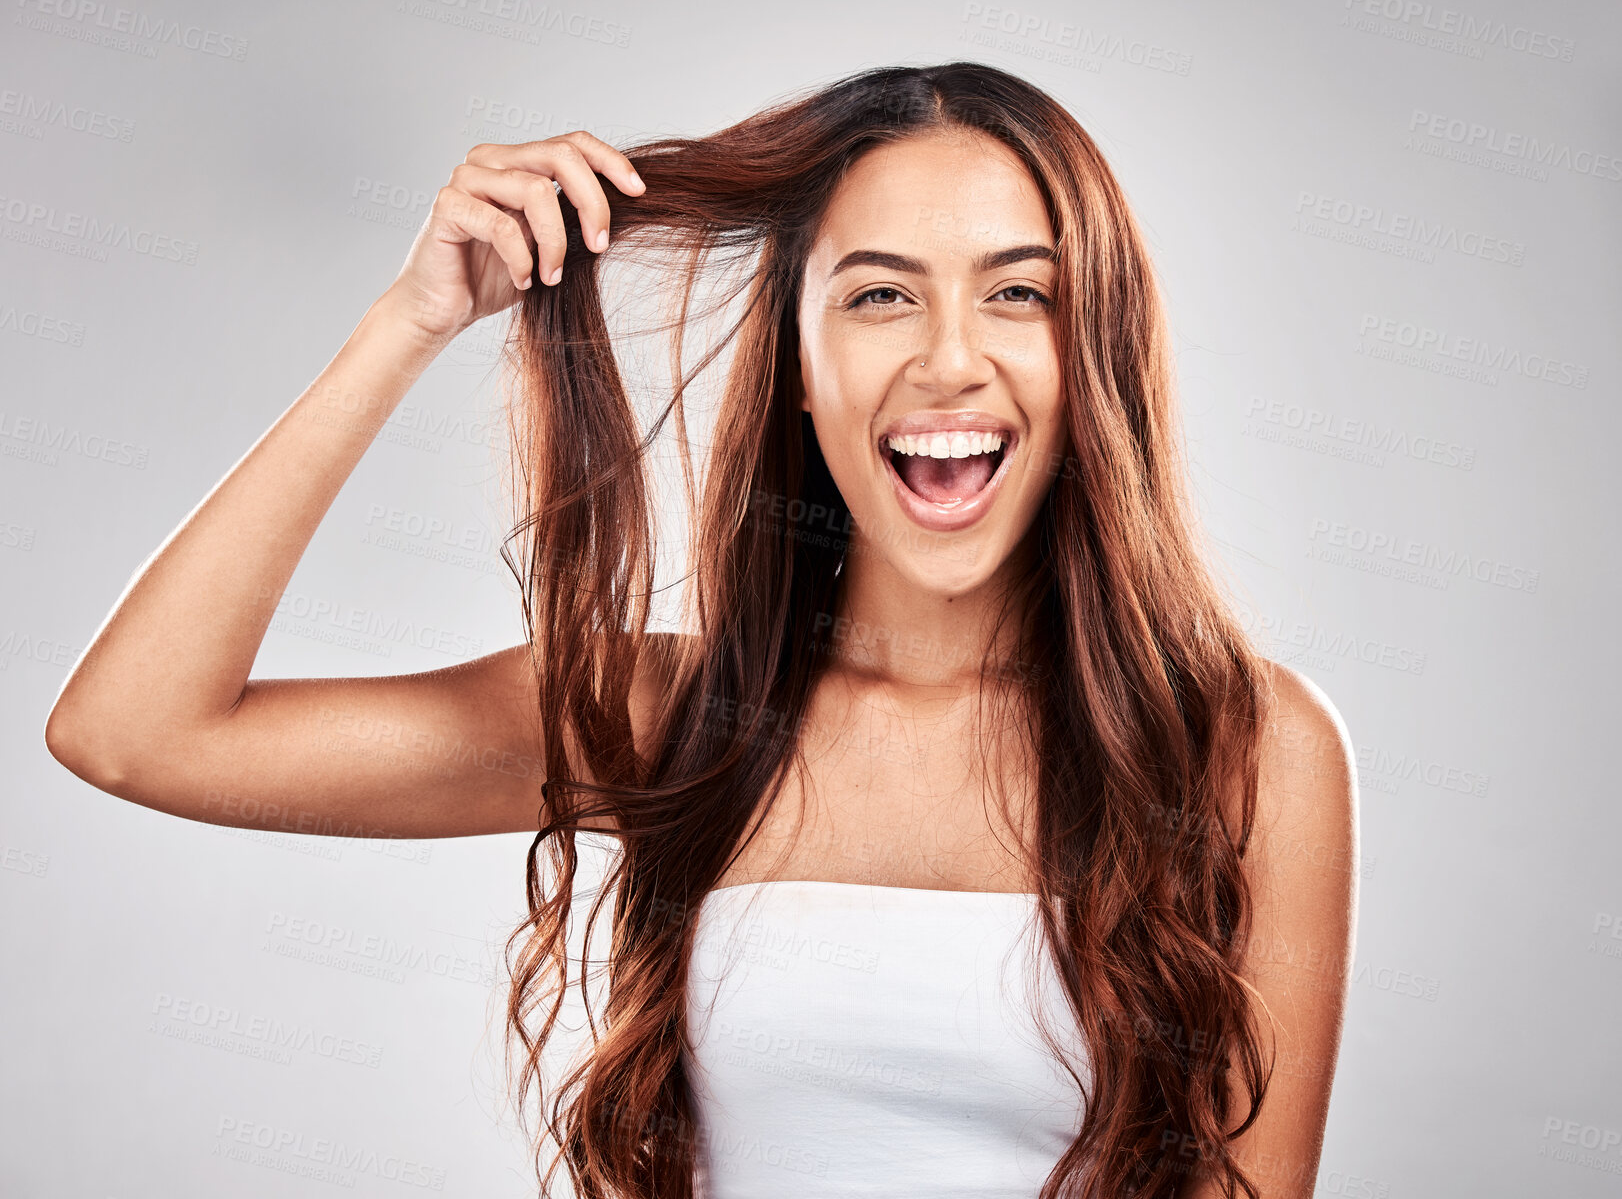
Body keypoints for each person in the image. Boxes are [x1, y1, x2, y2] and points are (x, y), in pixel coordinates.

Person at [45, 62, 1358, 1198]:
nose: (950, 358)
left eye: (1020, 293)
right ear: (798, 362)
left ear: (1096, 353)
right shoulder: (671, 719)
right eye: (878, 295)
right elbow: (137, 733)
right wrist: (412, 322)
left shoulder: (1246, 748)